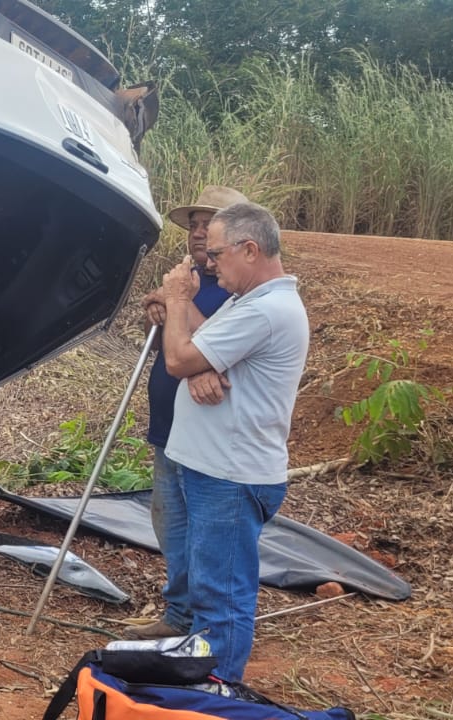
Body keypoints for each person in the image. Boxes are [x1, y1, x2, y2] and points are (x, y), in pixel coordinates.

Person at [153, 201, 309, 681]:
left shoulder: (266, 309)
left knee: (222, 595)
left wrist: (178, 299)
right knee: (210, 586)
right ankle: (203, 673)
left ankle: (216, 690)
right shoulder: (249, 301)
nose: (210, 261)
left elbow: (180, 359)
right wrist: (183, 324)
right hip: (213, 469)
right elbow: (201, 346)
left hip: (230, 475)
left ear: (249, 248)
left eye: (218, 253)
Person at [126, 185, 247, 641]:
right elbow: (163, 342)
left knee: (204, 530)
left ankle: (208, 624)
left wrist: (177, 302)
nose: (199, 233)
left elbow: (218, 347)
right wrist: (157, 309)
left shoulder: (236, 291)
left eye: (208, 225)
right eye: (195, 225)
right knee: (170, 524)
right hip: (167, 428)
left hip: (208, 436)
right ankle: (178, 613)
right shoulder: (186, 278)